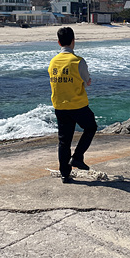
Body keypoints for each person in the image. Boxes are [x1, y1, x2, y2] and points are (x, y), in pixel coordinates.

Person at [48, 27, 97, 183]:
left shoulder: (53, 62)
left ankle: (64, 174)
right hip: (77, 104)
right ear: (73, 41)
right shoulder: (78, 61)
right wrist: (85, 80)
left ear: (58, 42)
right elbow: (87, 81)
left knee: (64, 141)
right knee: (91, 127)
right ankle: (77, 157)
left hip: (59, 106)